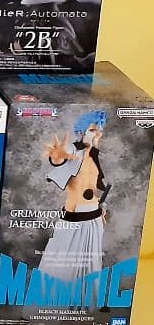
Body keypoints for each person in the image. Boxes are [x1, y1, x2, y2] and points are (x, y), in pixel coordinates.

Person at [39, 110, 108, 296]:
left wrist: (101, 210)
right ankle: (45, 305)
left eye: (99, 130)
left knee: (92, 267)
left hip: (94, 218)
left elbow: (92, 187)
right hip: (73, 219)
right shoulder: (74, 151)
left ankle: (84, 307)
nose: (97, 134)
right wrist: (57, 155)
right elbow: (60, 156)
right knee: (58, 267)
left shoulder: (94, 156)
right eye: (92, 130)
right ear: (82, 131)